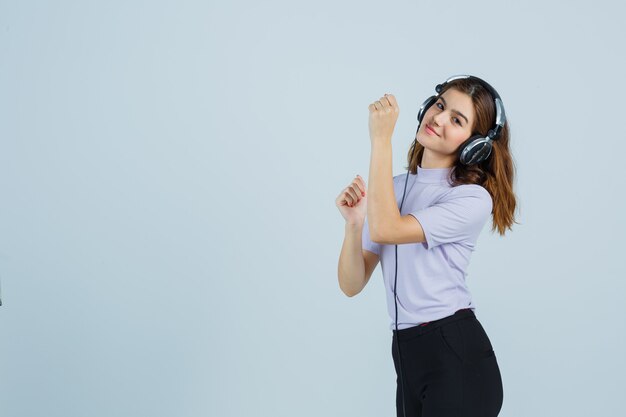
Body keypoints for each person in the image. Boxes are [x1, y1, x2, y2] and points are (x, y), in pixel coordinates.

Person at [335, 75, 517, 416]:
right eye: (440, 105)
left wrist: (380, 139)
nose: (438, 118)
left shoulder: (470, 199)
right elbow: (351, 284)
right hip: (406, 355)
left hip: (454, 355)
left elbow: (389, 228)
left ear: (474, 145)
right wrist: (354, 225)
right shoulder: (394, 190)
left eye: (457, 120)